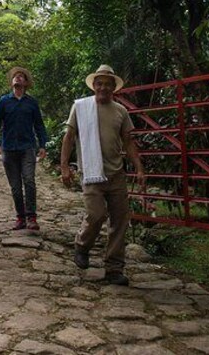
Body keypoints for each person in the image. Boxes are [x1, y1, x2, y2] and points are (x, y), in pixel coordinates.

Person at [60, 64, 146, 285]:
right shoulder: (81, 108)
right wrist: (64, 167)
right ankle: (82, 244)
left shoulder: (121, 111)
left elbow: (128, 141)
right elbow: (69, 137)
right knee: (96, 215)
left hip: (116, 173)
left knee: (120, 220)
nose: (103, 87)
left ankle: (114, 268)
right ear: (94, 86)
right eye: (99, 83)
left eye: (108, 84)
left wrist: (139, 168)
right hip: (91, 173)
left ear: (113, 88)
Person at [0, 66, 49, 231]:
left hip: (27, 148)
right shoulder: (4, 101)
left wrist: (42, 145)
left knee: (29, 181)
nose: (18, 78)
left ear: (26, 82)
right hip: (8, 149)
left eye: (21, 76)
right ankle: (20, 217)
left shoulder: (31, 103)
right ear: (12, 82)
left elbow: (39, 125)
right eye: (15, 76)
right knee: (15, 186)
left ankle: (31, 216)